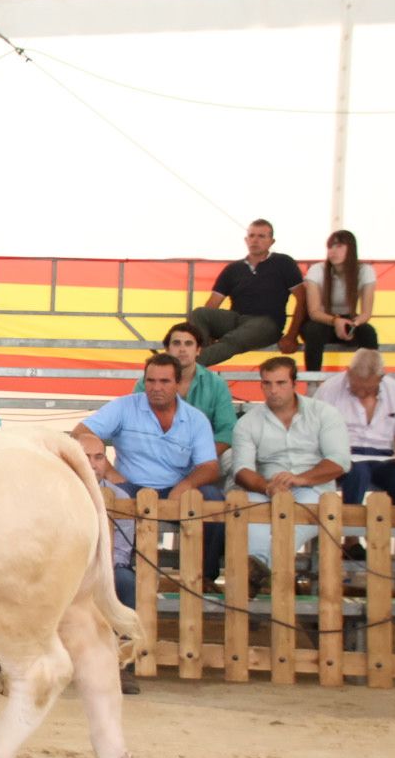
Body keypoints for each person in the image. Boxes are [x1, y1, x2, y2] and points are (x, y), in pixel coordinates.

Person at [73, 353, 224, 583]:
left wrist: (186, 485)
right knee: (112, 496)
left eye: (164, 381)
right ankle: (121, 574)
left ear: (178, 384)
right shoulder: (125, 406)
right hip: (130, 487)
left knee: (214, 498)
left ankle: (204, 579)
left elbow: (210, 467)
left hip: (177, 490)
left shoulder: (196, 419)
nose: (156, 387)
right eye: (150, 381)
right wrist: (112, 473)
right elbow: (80, 432)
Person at [233, 356, 349, 594]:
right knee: (248, 516)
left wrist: (301, 478)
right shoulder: (248, 422)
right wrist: (267, 486)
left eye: (280, 383)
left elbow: (339, 462)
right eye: (267, 383)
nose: (273, 390)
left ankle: (257, 576)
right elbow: (242, 470)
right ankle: (275, 579)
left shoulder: (324, 413)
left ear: (294, 383)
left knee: (290, 526)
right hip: (266, 489)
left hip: (314, 490)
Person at [189, 218, 304, 368]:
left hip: (266, 323)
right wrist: (207, 333)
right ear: (246, 239)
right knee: (199, 313)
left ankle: (185, 367)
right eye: (251, 236)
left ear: (272, 241)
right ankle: (193, 363)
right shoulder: (233, 269)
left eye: (261, 236)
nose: (255, 240)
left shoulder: (284, 263)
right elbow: (212, 304)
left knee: (234, 338)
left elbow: (303, 299)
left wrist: (292, 335)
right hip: (236, 320)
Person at [78, 431, 140, 695]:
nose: (93, 464)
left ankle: (121, 666)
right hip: (65, 570)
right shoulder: (54, 493)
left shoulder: (121, 499)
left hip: (104, 569)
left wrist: (96, 570)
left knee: (125, 580)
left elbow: (122, 554)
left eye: (99, 457)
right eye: (85, 457)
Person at [314, 349, 395, 506]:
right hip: (343, 455)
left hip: (383, 457)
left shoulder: (394, 389)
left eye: (368, 388)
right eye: (356, 387)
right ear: (348, 372)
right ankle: (350, 525)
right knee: (358, 473)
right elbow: (313, 431)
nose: (361, 392)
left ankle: (389, 526)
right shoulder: (330, 389)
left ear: (381, 378)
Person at [129, 322, 236, 458]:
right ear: (167, 349)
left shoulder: (216, 384)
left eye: (189, 344)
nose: (182, 349)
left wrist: (202, 456)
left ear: (198, 350)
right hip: (158, 455)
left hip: (204, 456)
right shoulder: (146, 383)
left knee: (231, 458)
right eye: (177, 343)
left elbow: (227, 430)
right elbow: (135, 426)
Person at [300, 229, 377, 373]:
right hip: (321, 321)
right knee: (313, 330)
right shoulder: (317, 270)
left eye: (339, 246)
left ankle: (370, 379)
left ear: (351, 248)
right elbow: (314, 312)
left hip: (350, 320)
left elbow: (366, 313)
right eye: (330, 247)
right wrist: (336, 321)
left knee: (368, 332)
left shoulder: (365, 271)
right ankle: (312, 382)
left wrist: (353, 324)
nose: (333, 251)